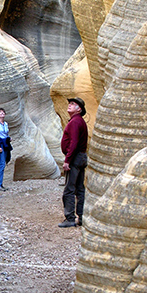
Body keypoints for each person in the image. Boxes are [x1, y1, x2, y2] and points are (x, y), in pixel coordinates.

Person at [59, 97, 88, 228]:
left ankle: (70, 218)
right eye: (70, 103)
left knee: (69, 190)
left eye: (73, 104)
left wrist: (67, 160)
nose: (69, 105)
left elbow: (73, 143)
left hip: (75, 158)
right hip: (80, 157)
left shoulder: (75, 122)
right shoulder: (79, 121)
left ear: (79, 109)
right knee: (80, 189)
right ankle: (81, 217)